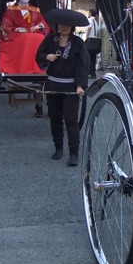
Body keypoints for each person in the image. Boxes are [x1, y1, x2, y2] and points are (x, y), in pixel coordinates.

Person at [35, 9, 89, 167]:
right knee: (55, 118)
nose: (64, 27)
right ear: (57, 25)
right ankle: (58, 147)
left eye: (68, 25)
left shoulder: (78, 43)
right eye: (61, 25)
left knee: (71, 120)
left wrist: (80, 85)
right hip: (53, 84)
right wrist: (47, 57)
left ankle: (74, 153)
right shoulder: (50, 40)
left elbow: (83, 64)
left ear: (72, 27)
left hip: (71, 86)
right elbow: (39, 55)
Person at [84, 8, 99, 78]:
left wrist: (86, 38)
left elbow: (89, 28)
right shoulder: (95, 22)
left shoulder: (89, 20)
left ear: (90, 13)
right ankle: (93, 73)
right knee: (93, 57)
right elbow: (98, 31)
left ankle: (90, 72)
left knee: (88, 56)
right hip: (95, 40)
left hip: (90, 40)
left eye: (88, 12)